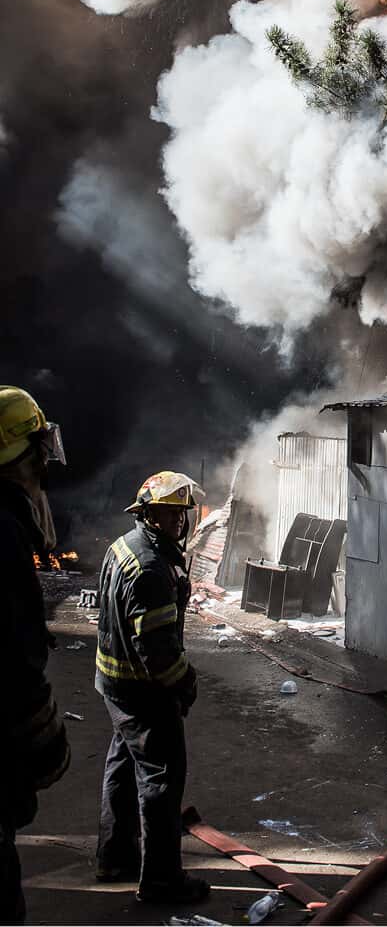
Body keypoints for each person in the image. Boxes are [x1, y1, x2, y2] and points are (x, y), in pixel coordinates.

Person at [94, 470, 209, 906]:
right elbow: (157, 651)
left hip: (115, 685)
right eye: (173, 514)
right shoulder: (151, 568)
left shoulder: (123, 547)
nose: (181, 523)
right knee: (162, 780)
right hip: (144, 692)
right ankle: (161, 882)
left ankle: (115, 858)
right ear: (152, 515)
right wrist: (184, 682)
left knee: (122, 769)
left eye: (182, 515)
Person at [0, 387, 70, 925]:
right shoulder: (1, 536)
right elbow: (14, 660)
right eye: (38, 452)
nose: (44, 465)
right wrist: (39, 740)